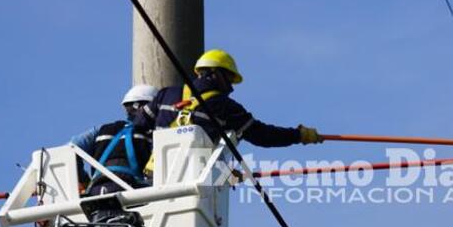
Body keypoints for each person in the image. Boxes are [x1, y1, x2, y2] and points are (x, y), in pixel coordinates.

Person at [134, 49, 323, 148]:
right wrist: (298, 135)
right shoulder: (226, 107)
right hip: (195, 179)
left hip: (154, 176)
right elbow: (263, 136)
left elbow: (138, 127)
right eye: (230, 78)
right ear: (216, 74)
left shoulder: (165, 94)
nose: (231, 87)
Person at [71, 85, 158, 196]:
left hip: (96, 191)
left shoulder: (102, 129)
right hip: (132, 191)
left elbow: (73, 147)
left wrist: (85, 181)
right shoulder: (151, 133)